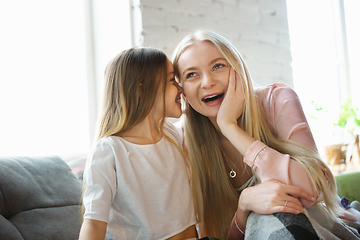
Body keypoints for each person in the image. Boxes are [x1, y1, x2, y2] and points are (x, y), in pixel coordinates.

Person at [172, 29, 360, 240]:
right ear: (182, 91)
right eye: (191, 74)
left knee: (273, 213)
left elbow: (312, 190)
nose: (207, 82)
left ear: (237, 68)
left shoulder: (277, 100)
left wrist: (229, 127)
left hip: (322, 227)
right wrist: (244, 207)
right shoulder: (183, 142)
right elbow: (217, 237)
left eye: (218, 66)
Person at [79, 47, 197, 240]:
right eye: (171, 80)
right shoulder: (109, 150)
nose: (181, 88)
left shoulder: (170, 133)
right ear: (142, 88)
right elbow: (93, 223)